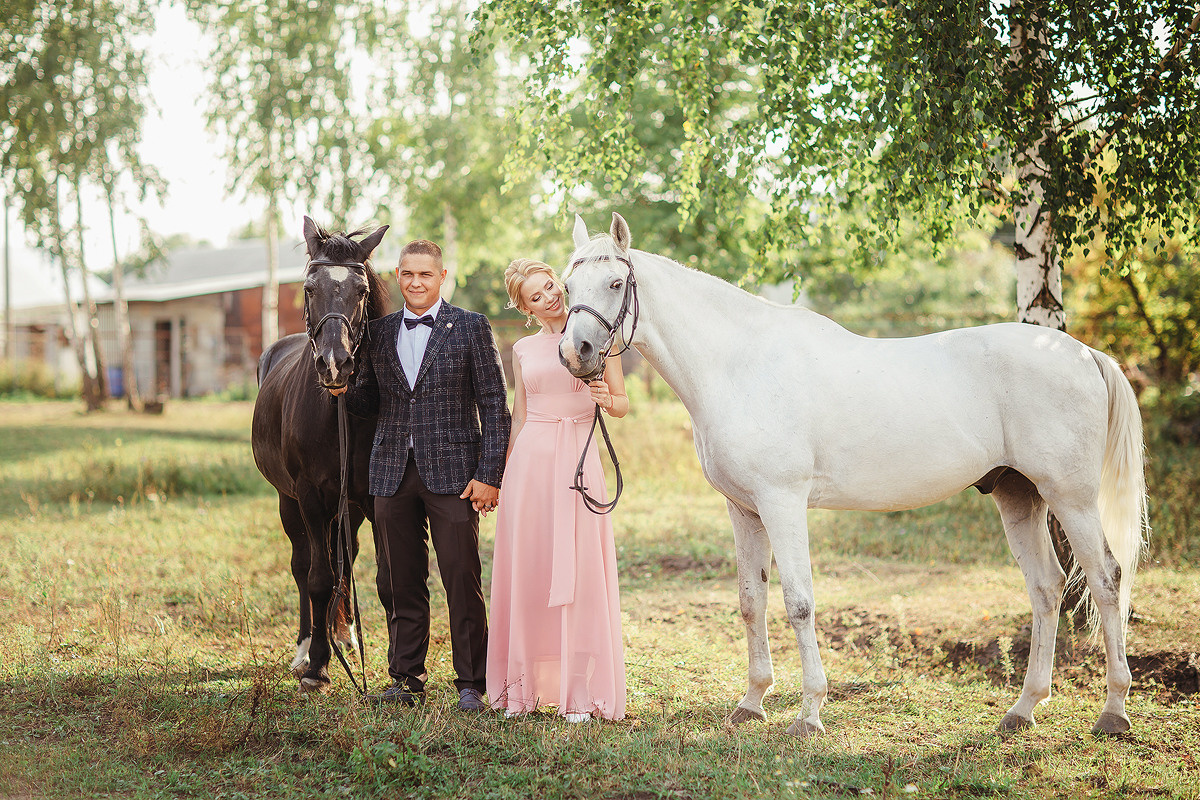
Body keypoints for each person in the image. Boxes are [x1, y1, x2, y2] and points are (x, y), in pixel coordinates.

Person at [336, 239, 511, 711]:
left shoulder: (471, 327)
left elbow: (495, 407)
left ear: (442, 276)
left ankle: (472, 682)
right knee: (399, 579)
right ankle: (405, 677)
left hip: (455, 475)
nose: (416, 283)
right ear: (397, 276)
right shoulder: (377, 332)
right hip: (391, 473)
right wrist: (341, 382)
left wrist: (490, 473)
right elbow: (367, 404)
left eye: (425, 275)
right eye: (408, 275)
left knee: (461, 577)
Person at [487, 258, 629, 722]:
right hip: (532, 462)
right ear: (525, 308)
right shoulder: (524, 349)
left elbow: (622, 403)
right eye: (536, 295)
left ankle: (578, 689)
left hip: (581, 457)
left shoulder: (597, 334)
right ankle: (522, 687)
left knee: (583, 571)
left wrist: (608, 399)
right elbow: (520, 415)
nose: (548, 296)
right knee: (532, 567)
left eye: (549, 286)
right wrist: (505, 474)